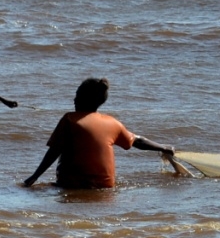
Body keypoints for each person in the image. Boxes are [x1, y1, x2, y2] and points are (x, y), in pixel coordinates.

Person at [22, 77, 175, 189]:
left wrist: (35, 176)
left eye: (77, 95)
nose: (74, 99)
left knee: (36, 192)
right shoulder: (113, 123)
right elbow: (137, 141)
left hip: (72, 185)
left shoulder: (70, 119)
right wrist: (163, 147)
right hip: (106, 187)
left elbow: (55, 150)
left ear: (82, 98)